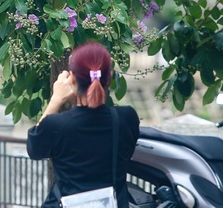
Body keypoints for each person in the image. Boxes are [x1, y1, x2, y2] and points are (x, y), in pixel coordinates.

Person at [26, 42, 140, 208]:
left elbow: (34, 149)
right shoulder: (126, 118)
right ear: (109, 77)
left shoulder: (57, 125)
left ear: (72, 79)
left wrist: (56, 99)